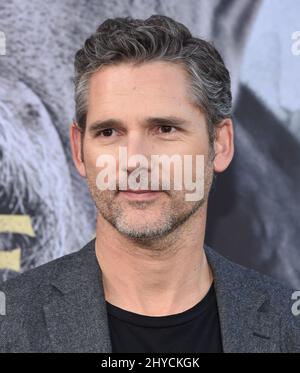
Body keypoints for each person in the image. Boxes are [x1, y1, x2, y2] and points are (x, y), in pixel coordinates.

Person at [0, 15, 299, 353]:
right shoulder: (10, 326)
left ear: (221, 144)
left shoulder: (288, 327)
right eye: (109, 132)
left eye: (165, 129)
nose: (135, 160)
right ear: (79, 150)